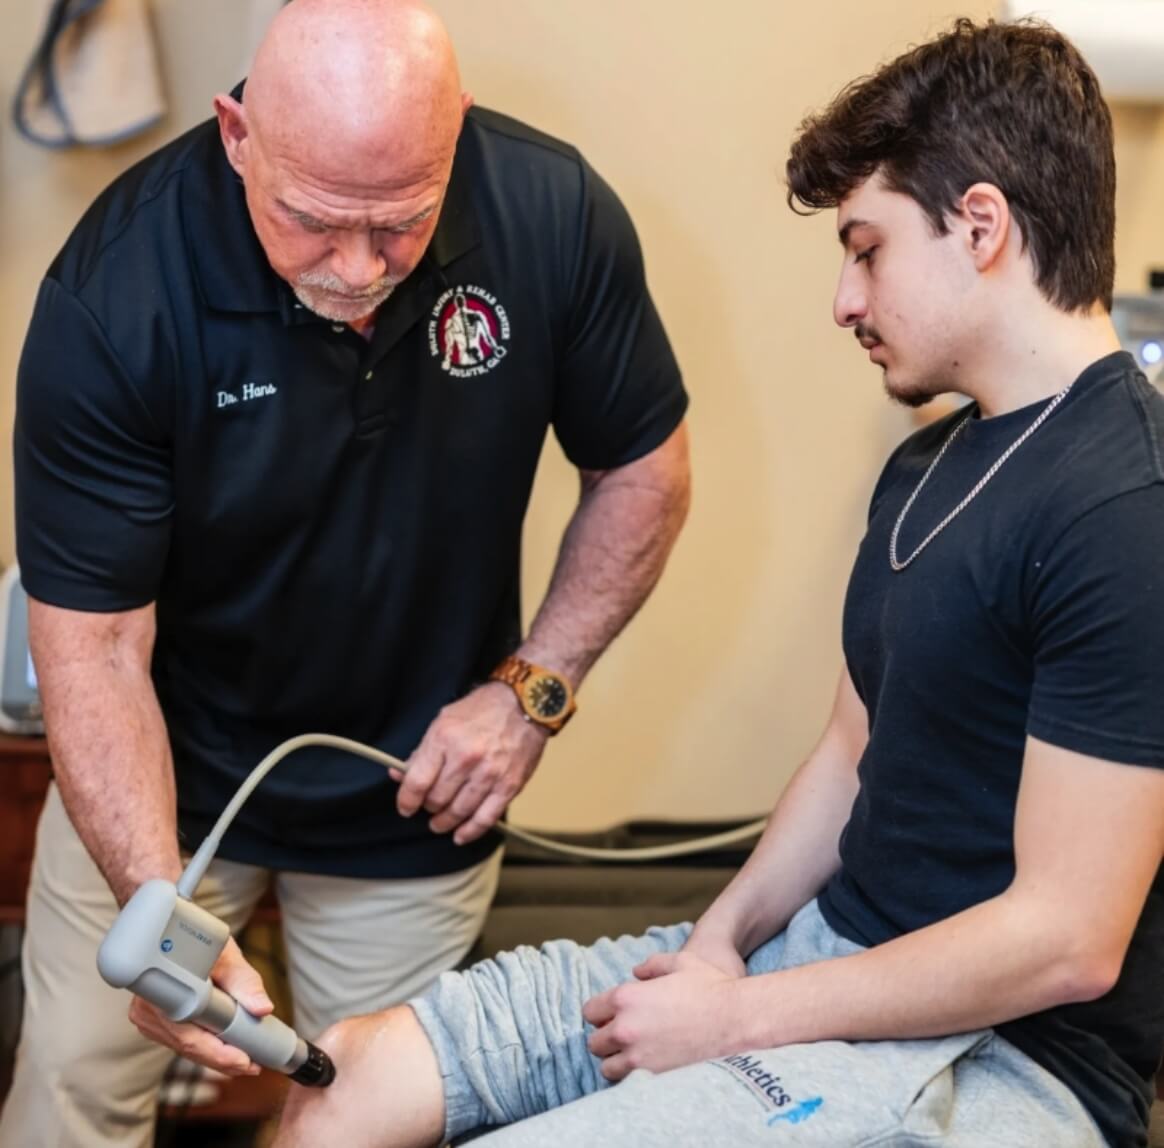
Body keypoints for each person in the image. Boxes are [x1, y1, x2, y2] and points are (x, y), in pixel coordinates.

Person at [272, 18, 1164, 1148]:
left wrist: (739, 1016)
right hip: (821, 962)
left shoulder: (1125, 503)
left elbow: (1067, 936)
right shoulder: (930, 464)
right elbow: (851, 753)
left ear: (980, 226)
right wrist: (720, 939)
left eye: (868, 248)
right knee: (342, 1082)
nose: (845, 300)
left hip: (999, 1059)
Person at [0, 0, 691, 1144]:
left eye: (402, 222)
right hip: (163, 774)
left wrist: (534, 689)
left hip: (410, 788)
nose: (360, 267)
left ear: (455, 134)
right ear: (237, 134)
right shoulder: (116, 294)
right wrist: (150, 899)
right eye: (313, 221)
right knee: (74, 1083)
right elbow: (95, 642)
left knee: (360, 1111)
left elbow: (644, 470)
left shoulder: (553, 214)